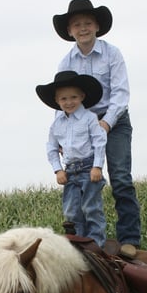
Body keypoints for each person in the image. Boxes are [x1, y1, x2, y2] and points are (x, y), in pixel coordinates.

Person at [52, 0, 141, 259]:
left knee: (121, 177)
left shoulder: (112, 54)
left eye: (87, 23)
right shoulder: (66, 62)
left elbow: (121, 94)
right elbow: (62, 101)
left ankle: (129, 239)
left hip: (114, 121)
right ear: (69, 31)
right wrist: (62, 133)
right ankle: (87, 240)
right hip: (81, 125)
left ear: (97, 26)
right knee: (83, 181)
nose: (83, 28)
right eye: (77, 24)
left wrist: (105, 123)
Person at [36, 70, 107, 248]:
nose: (69, 102)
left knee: (91, 208)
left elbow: (99, 142)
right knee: (71, 211)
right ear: (57, 101)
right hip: (70, 171)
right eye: (64, 99)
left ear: (82, 96)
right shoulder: (56, 124)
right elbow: (52, 147)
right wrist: (58, 169)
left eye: (73, 97)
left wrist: (97, 166)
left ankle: (96, 245)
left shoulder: (90, 119)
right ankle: (78, 245)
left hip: (88, 167)